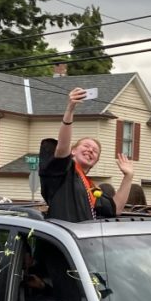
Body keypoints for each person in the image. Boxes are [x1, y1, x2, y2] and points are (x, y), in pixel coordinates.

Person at [38, 88, 133, 221]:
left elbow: (116, 209)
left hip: (82, 239)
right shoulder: (64, 172)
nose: (90, 150)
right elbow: (62, 147)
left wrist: (128, 176)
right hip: (63, 237)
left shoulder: (92, 188)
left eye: (95, 151)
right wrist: (70, 110)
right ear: (73, 151)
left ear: (95, 162)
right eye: (86, 146)